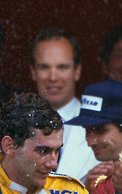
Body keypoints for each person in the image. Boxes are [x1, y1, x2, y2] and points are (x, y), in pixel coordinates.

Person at [29, 28, 98, 182]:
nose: (53, 77)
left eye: (62, 67)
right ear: (33, 71)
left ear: (77, 71)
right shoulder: (5, 127)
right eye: (44, 67)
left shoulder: (100, 128)